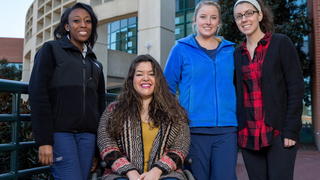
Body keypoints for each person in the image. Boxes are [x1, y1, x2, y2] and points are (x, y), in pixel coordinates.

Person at [29, 3, 106, 180]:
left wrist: (96, 149)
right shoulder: (51, 50)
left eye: (88, 21)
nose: (83, 25)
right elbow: (38, 95)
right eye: (76, 21)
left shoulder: (95, 63)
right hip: (61, 135)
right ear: (67, 26)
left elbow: (100, 106)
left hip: (88, 137)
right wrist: (44, 141)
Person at [164, 1, 238, 180]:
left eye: (213, 17)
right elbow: (166, 89)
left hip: (227, 131)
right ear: (195, 20)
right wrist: (178, 118)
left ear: (219, 22)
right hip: (193, 130)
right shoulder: (180, 49)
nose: (208, 22)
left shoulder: (232, 51)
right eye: (203, 17)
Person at [233, 0, 304, 179]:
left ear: (260, 15)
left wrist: (291, 130)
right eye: (239, 16)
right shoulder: (236, 53)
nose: (244, 19)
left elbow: (295, 87)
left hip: (278, 133)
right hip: (248, 134)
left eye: (249, 13)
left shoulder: (281, 43)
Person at [97, 54, 190, 180]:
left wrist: (156, 171)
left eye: (151, 74)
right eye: (139, 74)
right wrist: (130, 171)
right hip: (121, 174)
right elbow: (106, 144)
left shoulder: (175, 111)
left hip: (165, 174)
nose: (145, 78)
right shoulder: (113, 110)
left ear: (158, 79)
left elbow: (180, 147)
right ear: (132, 79)